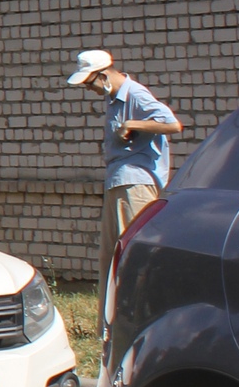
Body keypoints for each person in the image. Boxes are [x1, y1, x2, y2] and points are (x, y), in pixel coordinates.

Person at [70, 48, 185, 285]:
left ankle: (136, 316)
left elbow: (174, 125)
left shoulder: (135, 94)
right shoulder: (113, 99)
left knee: (133, 256)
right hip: (119, 181)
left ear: (103, 75)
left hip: (135, 184)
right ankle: (109, 320)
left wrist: (133, 124)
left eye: (89, 83)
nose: (88, 89)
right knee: (111, 258)